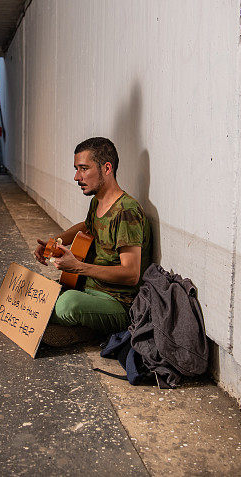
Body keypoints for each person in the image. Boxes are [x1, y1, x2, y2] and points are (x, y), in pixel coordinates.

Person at [34, 137, 151, 345]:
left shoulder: (126, 212)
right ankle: (77, 326)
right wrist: (54, 243)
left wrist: (78, 267)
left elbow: (131, 275)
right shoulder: (98, 201)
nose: (77, 176)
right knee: (36, 294)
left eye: (83, 169)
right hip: (87, 289)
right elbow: (86, 226)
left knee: (66, 305)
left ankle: (86, 332)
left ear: (107, 168)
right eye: (77, 169)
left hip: (117, 303)